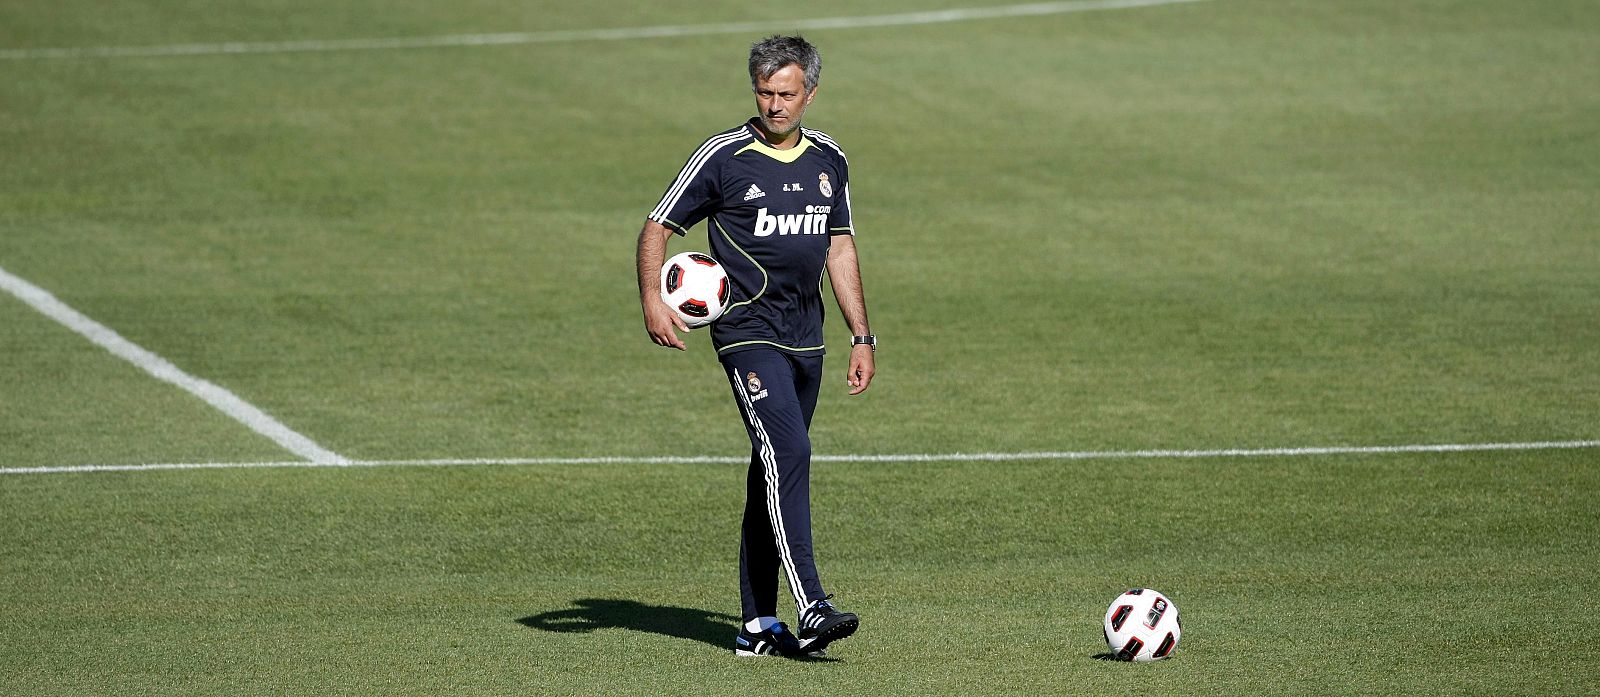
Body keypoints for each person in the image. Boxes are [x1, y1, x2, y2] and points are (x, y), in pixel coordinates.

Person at [634, 35, 876, 658]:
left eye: (786, 94)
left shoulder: (830, 160)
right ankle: (812, 606)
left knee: (770, 471)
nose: (774, 105)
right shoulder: (723, 156)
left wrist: (861, 334)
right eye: (765, 93)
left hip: (808, 337)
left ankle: (756, 628)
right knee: (790, 449)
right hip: (747, 333)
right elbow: (658, 224)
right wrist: (653, 302)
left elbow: (840, 248)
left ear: (810, 94)